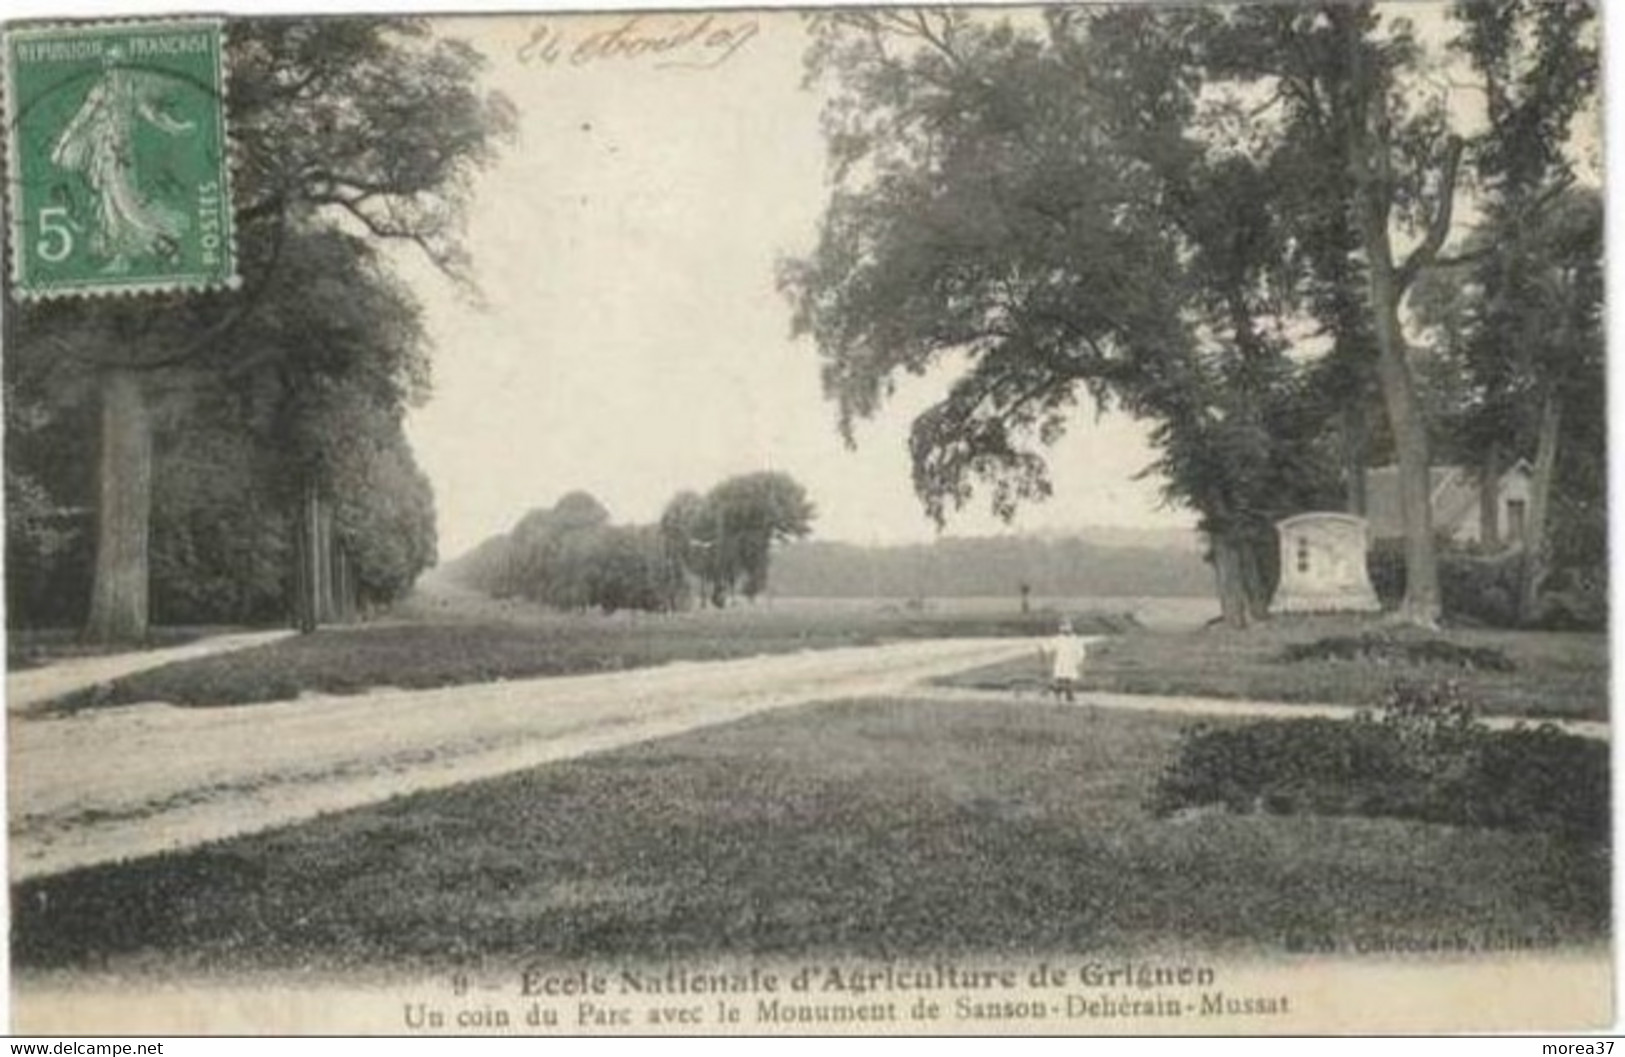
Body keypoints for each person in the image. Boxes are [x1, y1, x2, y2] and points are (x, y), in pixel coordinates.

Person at [1042, 618, 1087, 704]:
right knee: (1060, 679)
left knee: (1069, 679)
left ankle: (1069, 695)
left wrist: (1079, 659)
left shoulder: (1075, 639)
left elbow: (1081, 650)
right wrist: (1044, 649)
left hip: (1071, 662)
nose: (1066, 631)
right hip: (1061, 662)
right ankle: (1057, 694)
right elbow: (1049, 646)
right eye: (1064, 629)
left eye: (1067, 628)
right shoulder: (1059, 639)